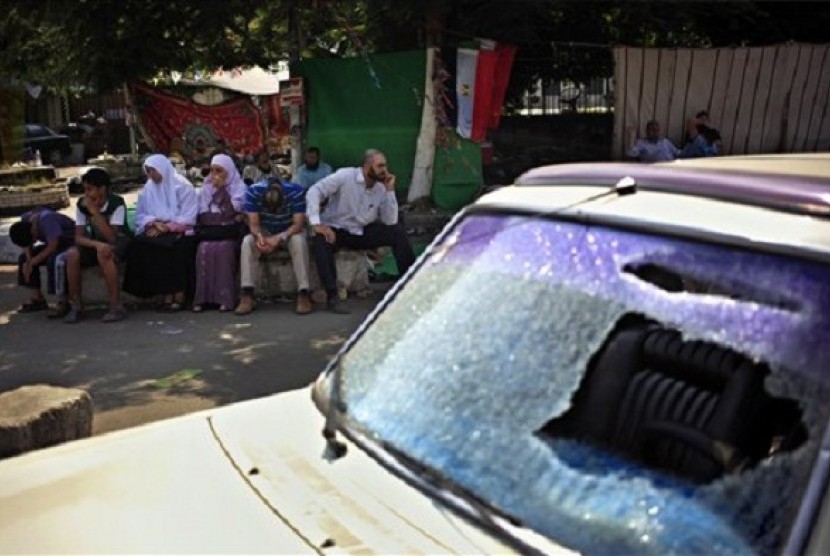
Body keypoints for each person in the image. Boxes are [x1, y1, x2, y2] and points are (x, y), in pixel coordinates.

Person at [307, 148, 416, 314]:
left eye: (385, 166)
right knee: (321, 242)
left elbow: (390, 221)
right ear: (367, 167)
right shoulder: (345, 176)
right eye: (380, 166)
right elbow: (314, 191)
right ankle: (332, 296)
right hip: (337, 228)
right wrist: (316, 223)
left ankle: (409, 285)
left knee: (397, 233)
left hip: (362, 231)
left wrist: (390, 191)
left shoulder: (381, 187)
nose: (384, 171)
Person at [122, 154, 198, 311]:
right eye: (148, 171)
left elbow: (190, 216)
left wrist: (169, 227)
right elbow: (141, 214)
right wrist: (153, 223)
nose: (151, 175)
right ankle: (161, 292)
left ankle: (179, 293)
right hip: (157, 227)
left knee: (173, 247)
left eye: (153, 170)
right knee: (139, 245)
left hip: (181, 228)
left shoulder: (182, 186)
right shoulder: (149, 188)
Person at [59, 168, 131, 323]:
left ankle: (115, 306)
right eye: (85, 189)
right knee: (72, 254)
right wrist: (96, 244)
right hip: (96, 243)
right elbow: (78, 237)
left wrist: (95, 212)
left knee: (104, 253)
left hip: (119, 242)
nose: (87, 193)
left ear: (102, 189)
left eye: (89, 189)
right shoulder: (81, 205)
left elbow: (112, 237)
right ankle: (76, 306)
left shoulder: (116, 203)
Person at [235, 175, 313, 316]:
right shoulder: (253, 192)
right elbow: (253, 224)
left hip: (288, 230)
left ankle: (304, 292)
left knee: (299, 242)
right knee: (247, 242)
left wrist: (279, 238)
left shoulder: (296, 192)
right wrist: (260, 238)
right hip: (264, 230)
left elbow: (298, 224)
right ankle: (247, 294)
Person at [192, 154, 246, 312]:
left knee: (224, 250)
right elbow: (203, 216)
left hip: (230, 234)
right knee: (203, 250)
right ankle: (203, 299)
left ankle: (225, 299)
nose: (214, 174)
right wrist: (223, 217)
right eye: (212, 170)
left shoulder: (239, 188)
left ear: (228, 171)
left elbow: (232, 212)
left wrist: (222, 190)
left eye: (219, 170)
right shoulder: (206, 188)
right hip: (212, 233)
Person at [9, 207, 75, 315]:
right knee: (23, 259)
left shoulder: (48, 220)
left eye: (35, 239)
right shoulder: (25, 219)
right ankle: (37, 298)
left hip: (68, 242)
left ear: (33, 231)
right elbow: (27, 246)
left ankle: (63, 301)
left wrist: (33, 262)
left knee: (53, 261)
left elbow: (53, 246)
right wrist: (28, 262)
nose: (36, 241)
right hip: (53, 244)